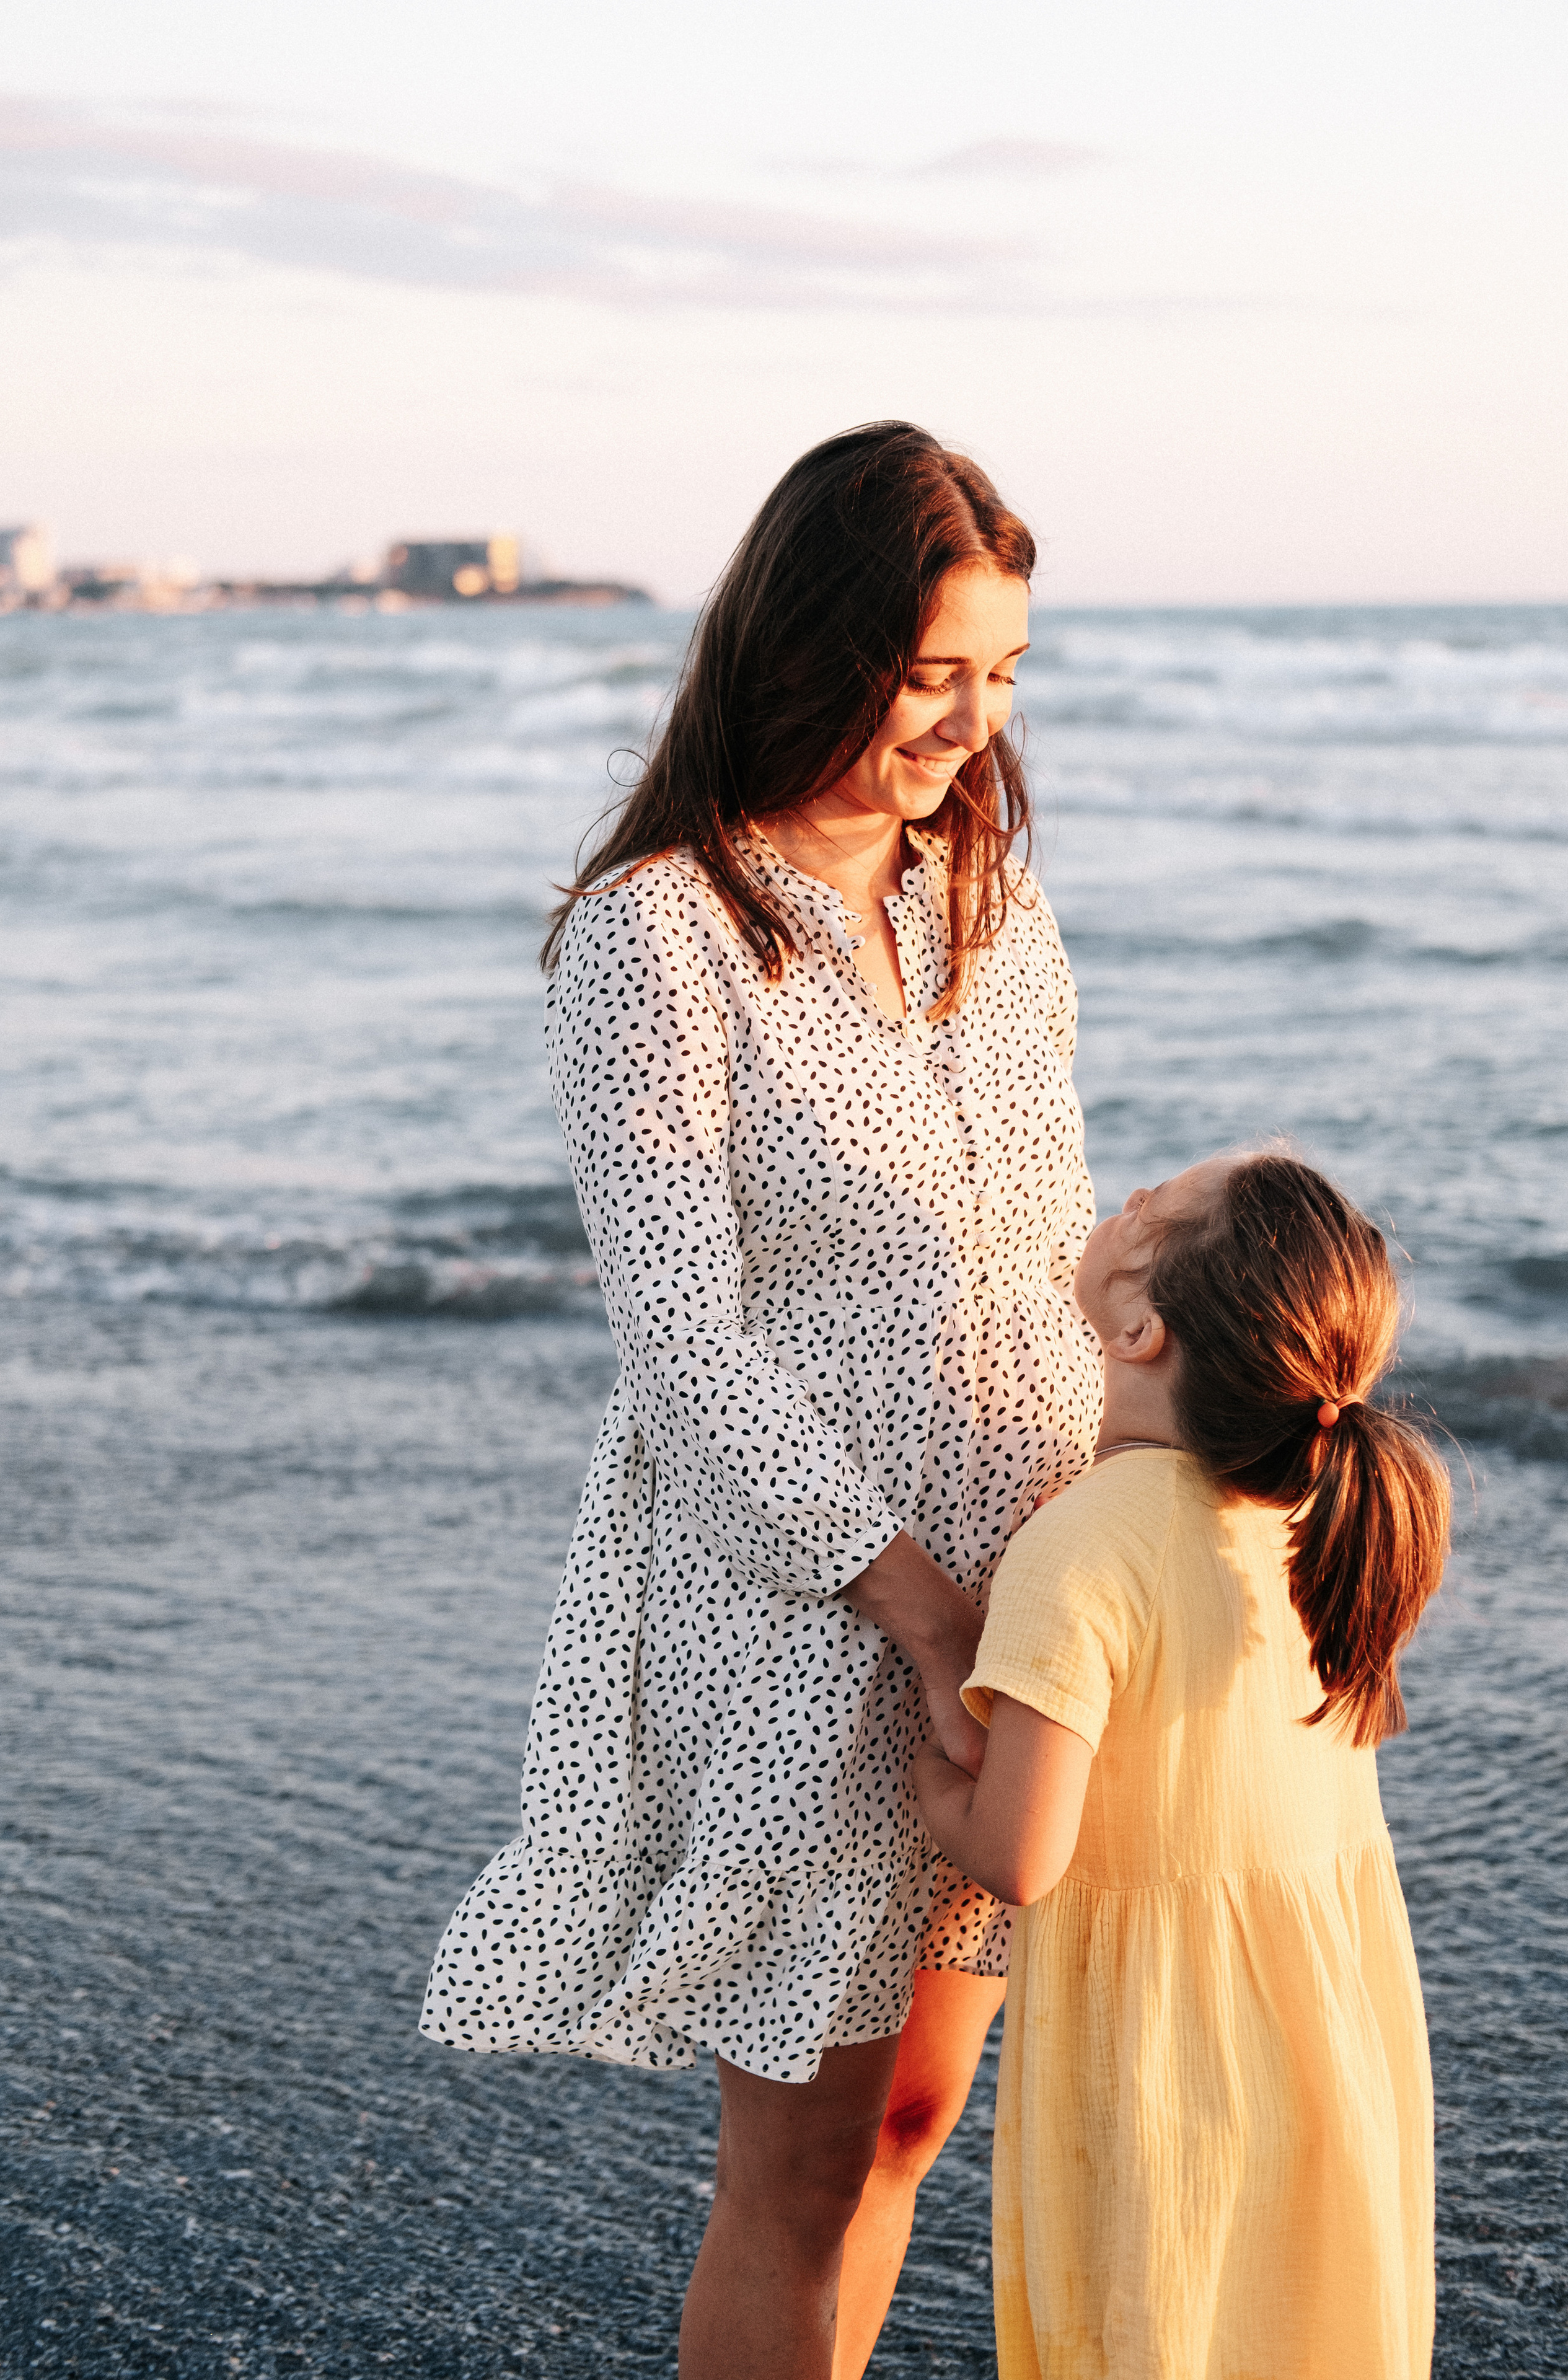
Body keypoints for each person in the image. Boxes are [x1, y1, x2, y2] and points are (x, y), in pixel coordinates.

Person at [418, 422, 1103, 2379]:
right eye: (935, 672)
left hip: (1020, 1580)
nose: (975, 723)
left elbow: (1061, 1242)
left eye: (1006, 673)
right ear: (814, 643)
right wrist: (921, 1611)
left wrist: (1123, 1535)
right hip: (808, 1605)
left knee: (913, 2123)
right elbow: (682, 1345)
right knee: (801, 2168)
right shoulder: (660, 932)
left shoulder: (991, 904)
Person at [917, 1150, 1447, 2379]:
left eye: (1153, 1206)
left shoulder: (1079, 1546)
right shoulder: (1312, 1523)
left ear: (1140, 1329)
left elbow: (1016, 1855)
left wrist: (918, 1774)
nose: (1131, 1194)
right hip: (1329, 2028)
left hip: (1170, 2065)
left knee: (1157, 2329)